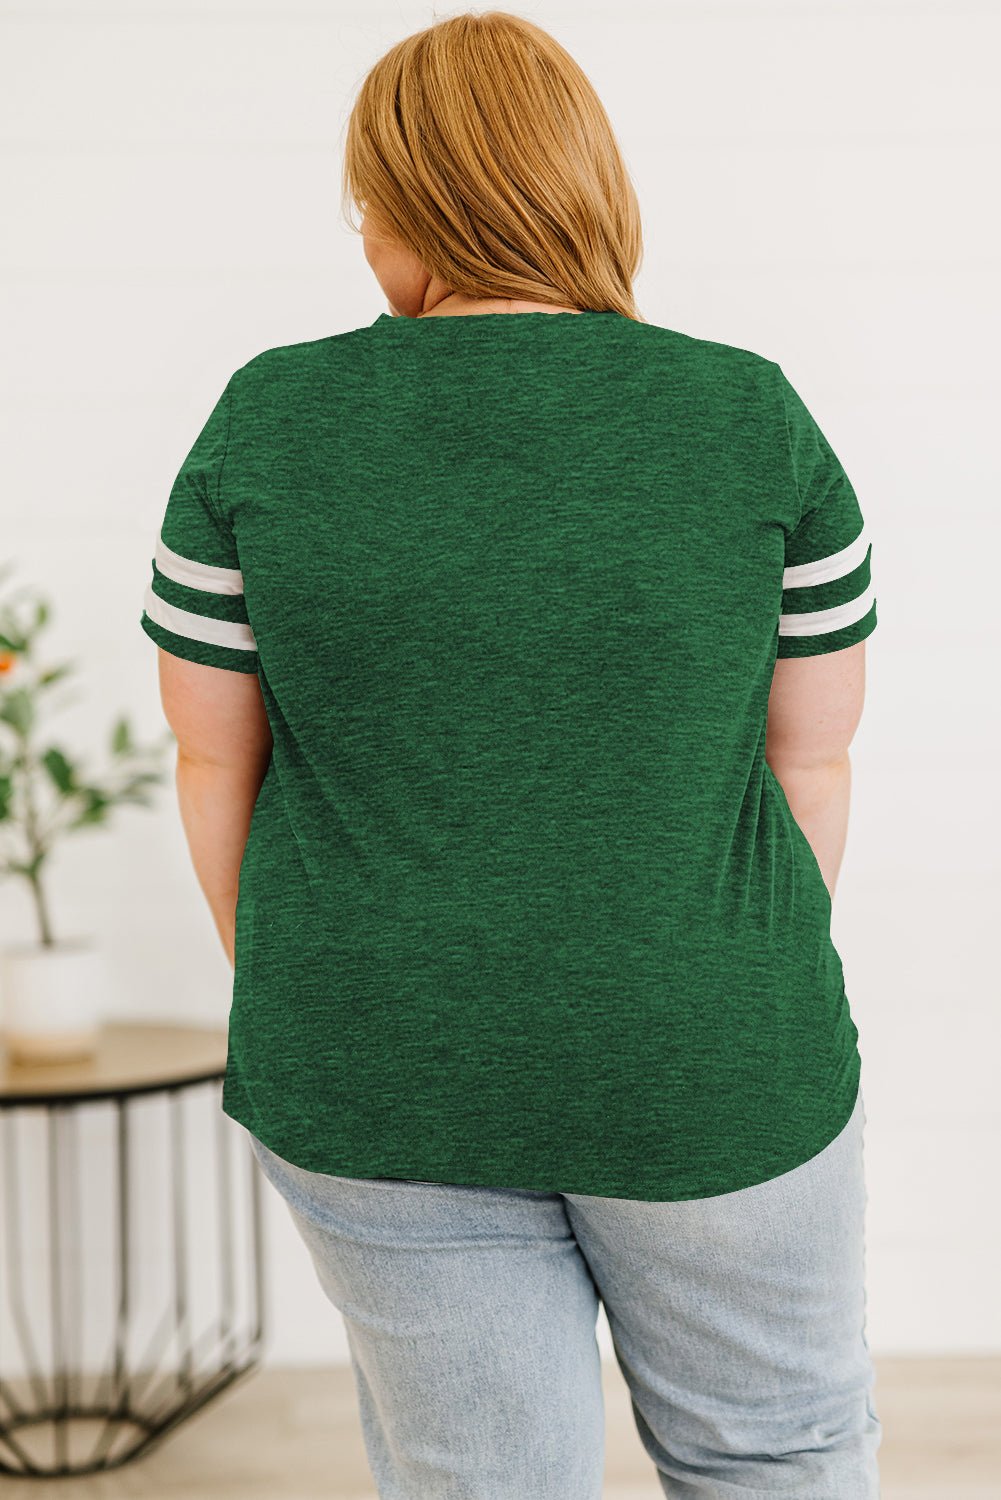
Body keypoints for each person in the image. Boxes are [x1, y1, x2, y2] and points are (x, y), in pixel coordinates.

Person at [139, 11, 881, 1498]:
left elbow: (214, 765)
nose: (364, 242)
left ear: (414, 206)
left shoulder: (265, 418)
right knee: (776, 1456)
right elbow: (811, 761)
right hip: (712, 1059)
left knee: (480, 1480)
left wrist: (340, 989)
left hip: (376, 1058)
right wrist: (692, 980)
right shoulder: (751, 416)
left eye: (366, 208)